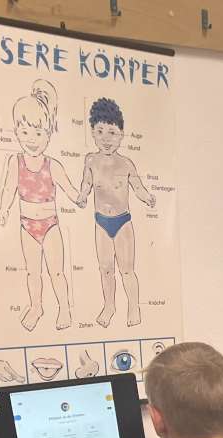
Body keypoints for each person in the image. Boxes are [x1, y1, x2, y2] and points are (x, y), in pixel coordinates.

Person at [0, 79, 81, 333]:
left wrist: (80, 197)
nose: (31, 139)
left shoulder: (52, 165)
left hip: (50, 226)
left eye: (38, 133)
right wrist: (3, 208)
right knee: (33, 273)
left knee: (57, 272)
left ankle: (64, 307)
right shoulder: (15, 162)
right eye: (25, 132)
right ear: (16, 132)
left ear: (49, 133)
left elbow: (70, 189)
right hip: (27, 227)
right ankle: (36, 307)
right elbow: (8, 189)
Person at [77, 97, 157, 329]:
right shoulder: (90, 160)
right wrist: (82, 195)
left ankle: (133, 306)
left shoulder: (126, 164)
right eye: (100, 131)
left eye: (112, 132)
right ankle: (109, 306)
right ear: (93, 133)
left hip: (122, 223)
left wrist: (148, 197)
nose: (106, 138)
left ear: (121, 134)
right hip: (101, 223)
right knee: (105, 269)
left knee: (127, 270)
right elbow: (86, 183)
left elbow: (138, 187)